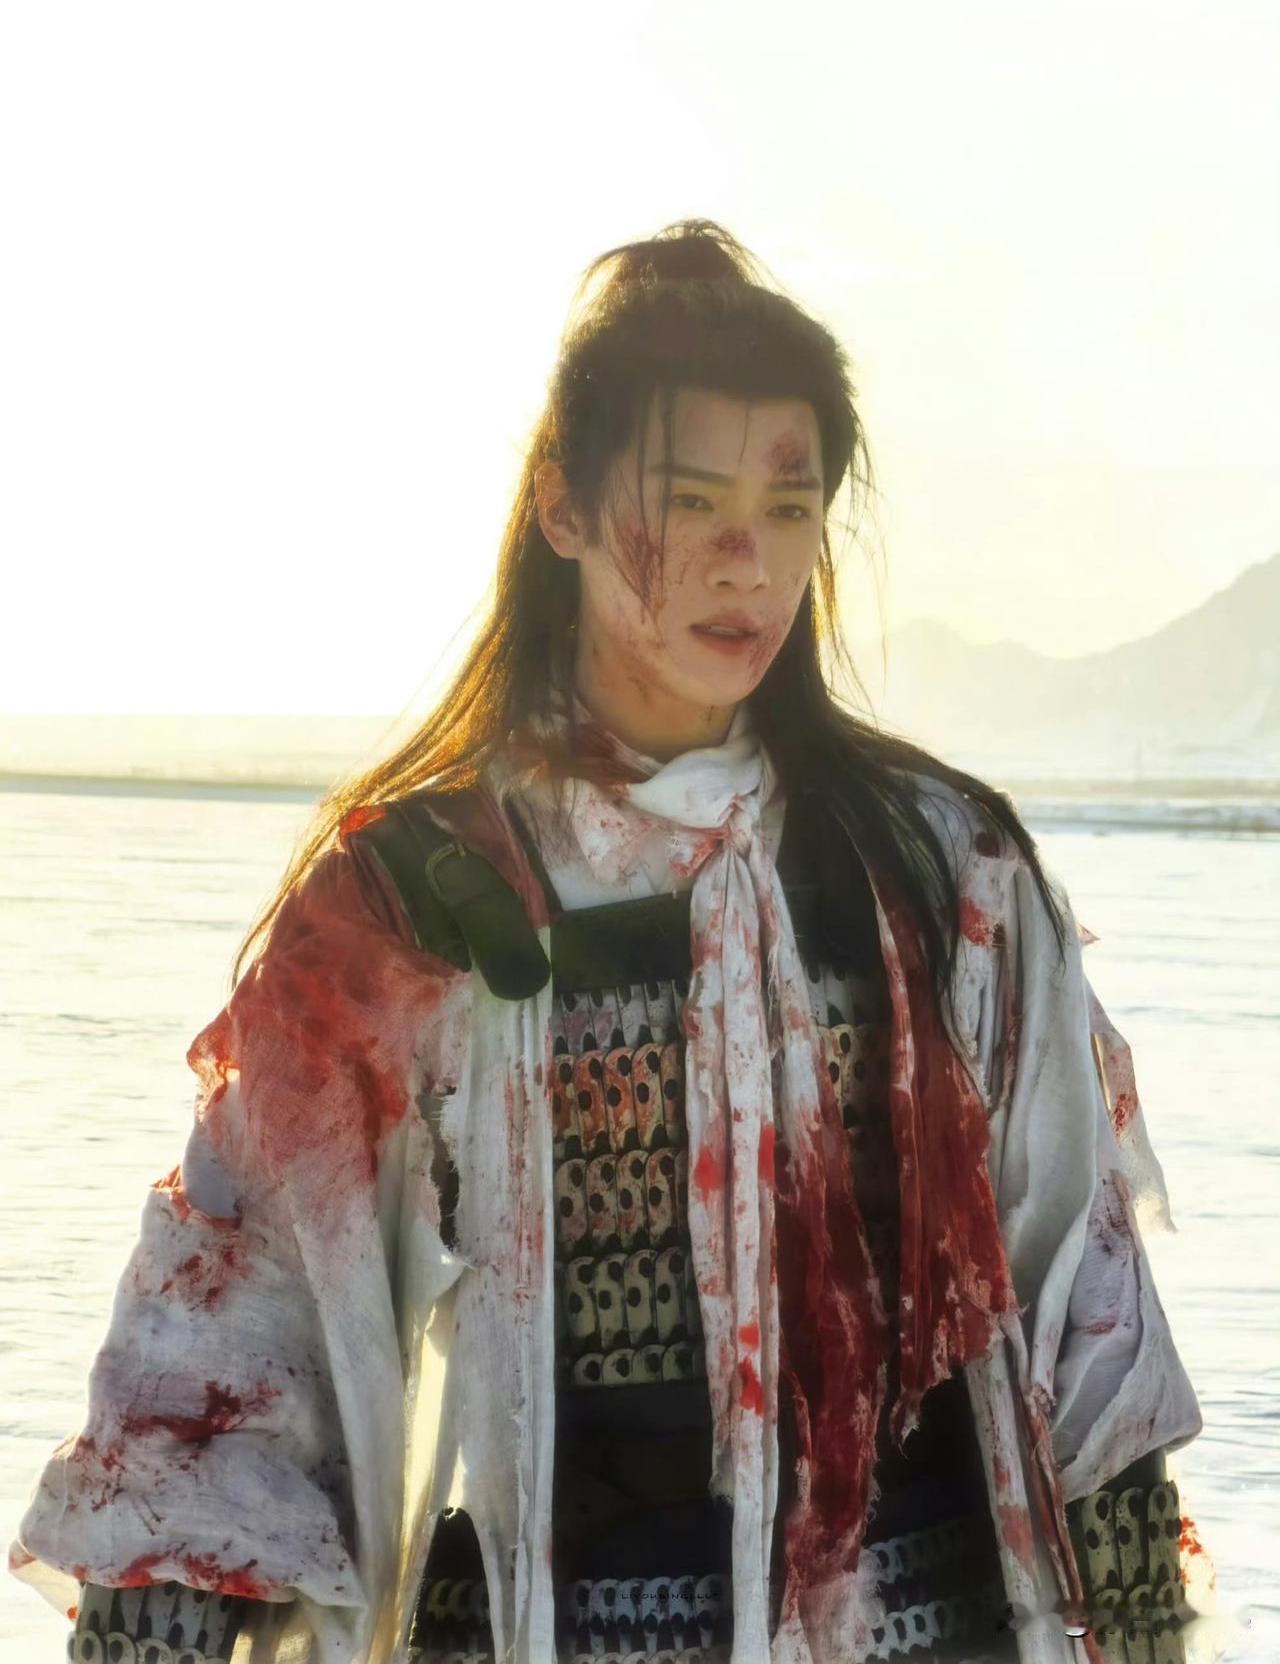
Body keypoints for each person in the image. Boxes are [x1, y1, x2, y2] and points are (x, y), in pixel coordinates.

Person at [13, 220, 1213, 1664]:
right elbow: (232, 1353)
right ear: (561, 505)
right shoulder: (408, 906)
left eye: (787, 506)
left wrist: (1138, 1621)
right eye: (690, 499)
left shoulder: (942, 872)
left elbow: (1083, 1303)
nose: (743, 561)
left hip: (918, 1623)